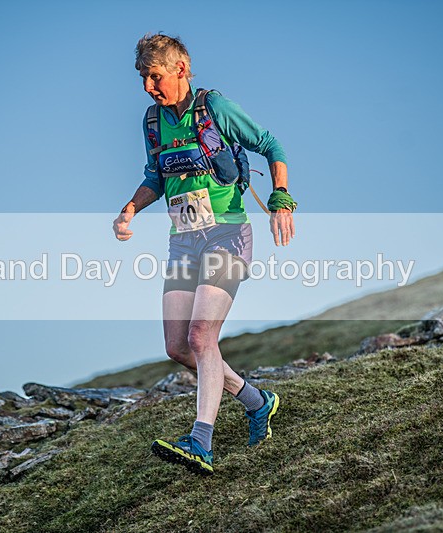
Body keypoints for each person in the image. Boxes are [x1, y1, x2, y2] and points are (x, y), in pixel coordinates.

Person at [112, 33, 297, 475]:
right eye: (142, 78)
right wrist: (130, 208)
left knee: (201, 337)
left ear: (180, 68)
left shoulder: (214, 108)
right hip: (183, 241)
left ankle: (201, 441)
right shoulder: (152, 122)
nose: (147, 88)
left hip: (227, 234)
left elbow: (271, 145)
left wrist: (282, 198)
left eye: (154, 76)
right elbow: (155, 175)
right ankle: (257, 401)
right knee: (179, 347)